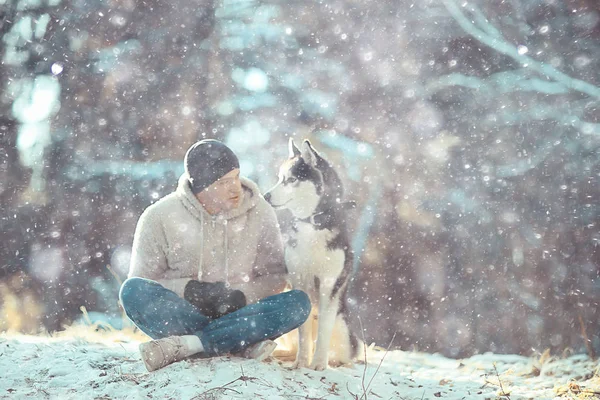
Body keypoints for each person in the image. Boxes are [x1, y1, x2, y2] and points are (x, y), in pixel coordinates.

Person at [119, 139, 311, 372]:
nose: (235, 188)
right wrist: (190, 290)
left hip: (242, 311)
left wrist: (239, 296)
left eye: (236, 177)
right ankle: (236, 343)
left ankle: (193, 343)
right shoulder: (157, 217)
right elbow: (142, 281)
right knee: (131, 291)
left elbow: (275, 277)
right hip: (186, 311)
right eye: (223, 182)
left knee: (298, 303)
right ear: (201, 187)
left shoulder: (261, 212)